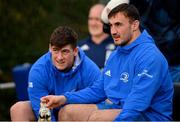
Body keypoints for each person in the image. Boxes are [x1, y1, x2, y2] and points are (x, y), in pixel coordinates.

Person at [40, 3, 174, 121]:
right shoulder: (116, 54)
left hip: (150, 116)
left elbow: (137, 104)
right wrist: (64, 98)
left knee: (98, 118)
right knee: (67, 112)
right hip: (116, 107)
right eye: (111, 25)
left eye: (118, 25)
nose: (113, 31)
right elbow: (98, 90)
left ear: (134, 25)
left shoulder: (149, 56)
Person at [10, 26, 101, 121]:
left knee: (68, 111)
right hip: (49, 111)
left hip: (76, 112)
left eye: (64, 51)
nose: (59, 57)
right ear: (50, 48)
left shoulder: (90, 68)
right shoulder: (39, 70)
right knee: (18, 109)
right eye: (55, 50)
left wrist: (66, 99)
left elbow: (100, 94)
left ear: (75, 51)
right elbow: (43, 114)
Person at [78, 3, 115, 69]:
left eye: (97, 19)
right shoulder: (78, 47)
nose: (93, 23)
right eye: (90, 19)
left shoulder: (118, 46)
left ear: (106, 21)